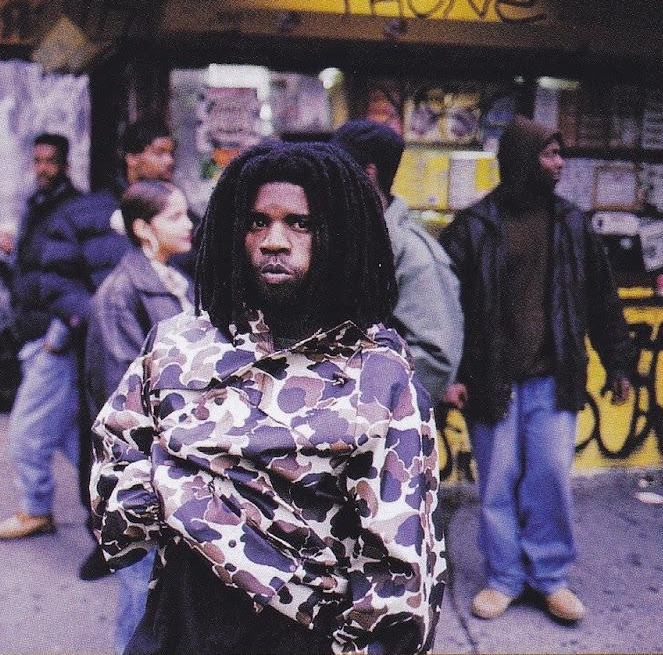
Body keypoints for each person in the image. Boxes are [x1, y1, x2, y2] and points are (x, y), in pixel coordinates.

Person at [91, 141, 446, 654]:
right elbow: (115, 462)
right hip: (182, 623)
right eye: (257, 223)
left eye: (300, 224)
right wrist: (179, 495)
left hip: (304, 634)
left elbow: (401, 559)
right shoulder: (177, 346)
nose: (273, 241)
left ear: (340, 235)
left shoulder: (379, 376)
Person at [439, 115, 634, 623]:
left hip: (554, 376)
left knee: (548, 478)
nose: (559, 163)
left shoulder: (571, 223)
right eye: (549, 153)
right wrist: (450, 375)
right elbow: (444, 308)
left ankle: (549, 577)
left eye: (559, 152)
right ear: (523, 160)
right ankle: (504, 577)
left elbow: (601, 297)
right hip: (491, 379)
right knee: (497, 483)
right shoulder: (474, 227)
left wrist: (619, 363)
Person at [0, 133, 129, 540]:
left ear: (66, 164)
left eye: (50, 161)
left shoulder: (73, 208)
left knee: (26, 430)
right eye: (37, 160)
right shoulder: (38, 205)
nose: (42, 168)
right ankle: (111, 499)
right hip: (36, 332)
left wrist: (59, 332)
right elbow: (41, 267)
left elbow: (73, 275)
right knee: (70, 435)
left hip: (54, 336)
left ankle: (35, 508)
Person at [84, 180, 193, 653]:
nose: (188, 225)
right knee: (141, 596)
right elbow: (120, 399)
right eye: (175, 216)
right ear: (144, 229)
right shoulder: (120, 293)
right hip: (143, 470)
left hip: (176, 462)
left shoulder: (174, 281)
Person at [330, 119, 462, 409]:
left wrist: (363, 405)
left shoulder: (414, 254)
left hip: (370, 419)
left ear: (369, 174)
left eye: (335, 170)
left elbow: (435, 358)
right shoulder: (336, 237)